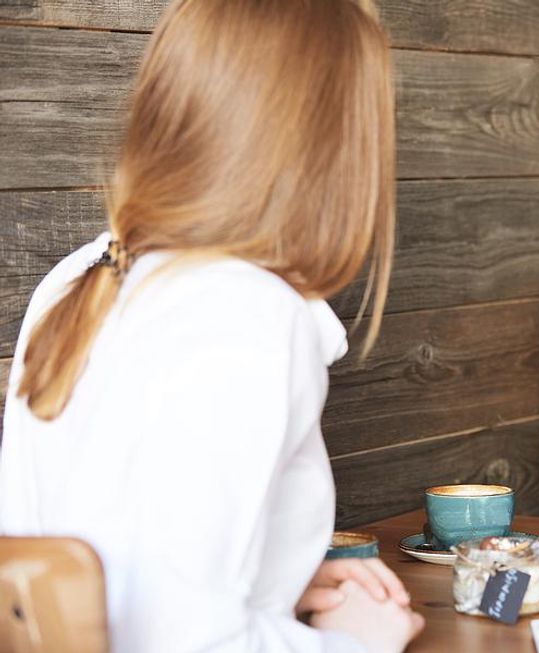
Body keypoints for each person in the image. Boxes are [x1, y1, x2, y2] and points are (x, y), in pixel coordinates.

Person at [0, 0, 423, 651]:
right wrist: (359, 642)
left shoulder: (81, 278)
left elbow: (121, 559)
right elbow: (182, 641)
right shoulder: (247, 312)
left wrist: (272, 580)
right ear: (333, 144)